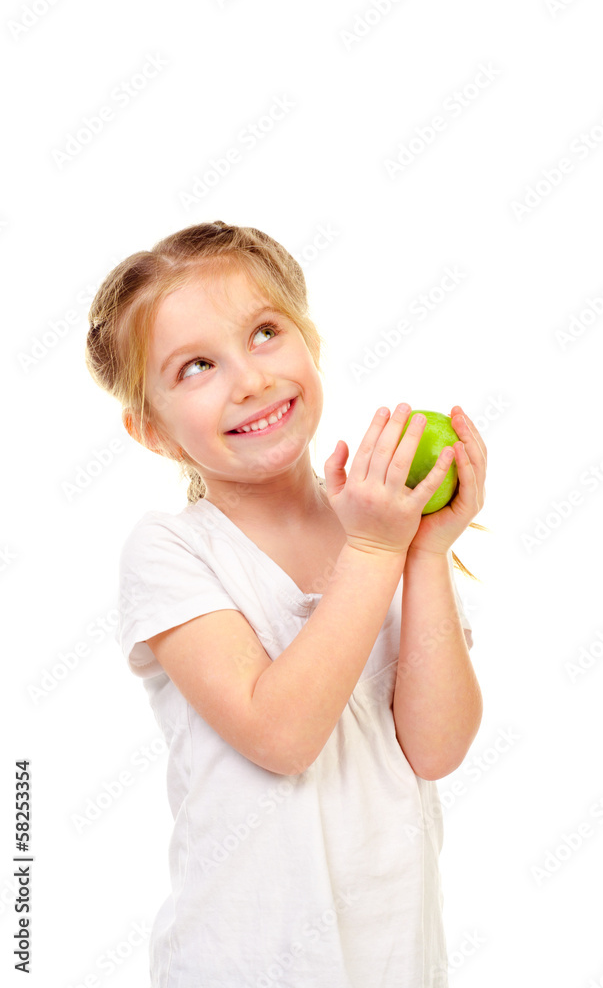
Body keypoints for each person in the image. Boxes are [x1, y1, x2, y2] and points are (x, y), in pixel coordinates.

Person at [85, 220, 488, 988]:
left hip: (395, 964)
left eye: (265, 333)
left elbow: (436, 749)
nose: (249, 380)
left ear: (310, 342)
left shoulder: (381, 523)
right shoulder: (173, 551)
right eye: (197, 366)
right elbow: (282, 735)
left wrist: (424, 551)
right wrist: (376, 551)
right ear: (153, 433)